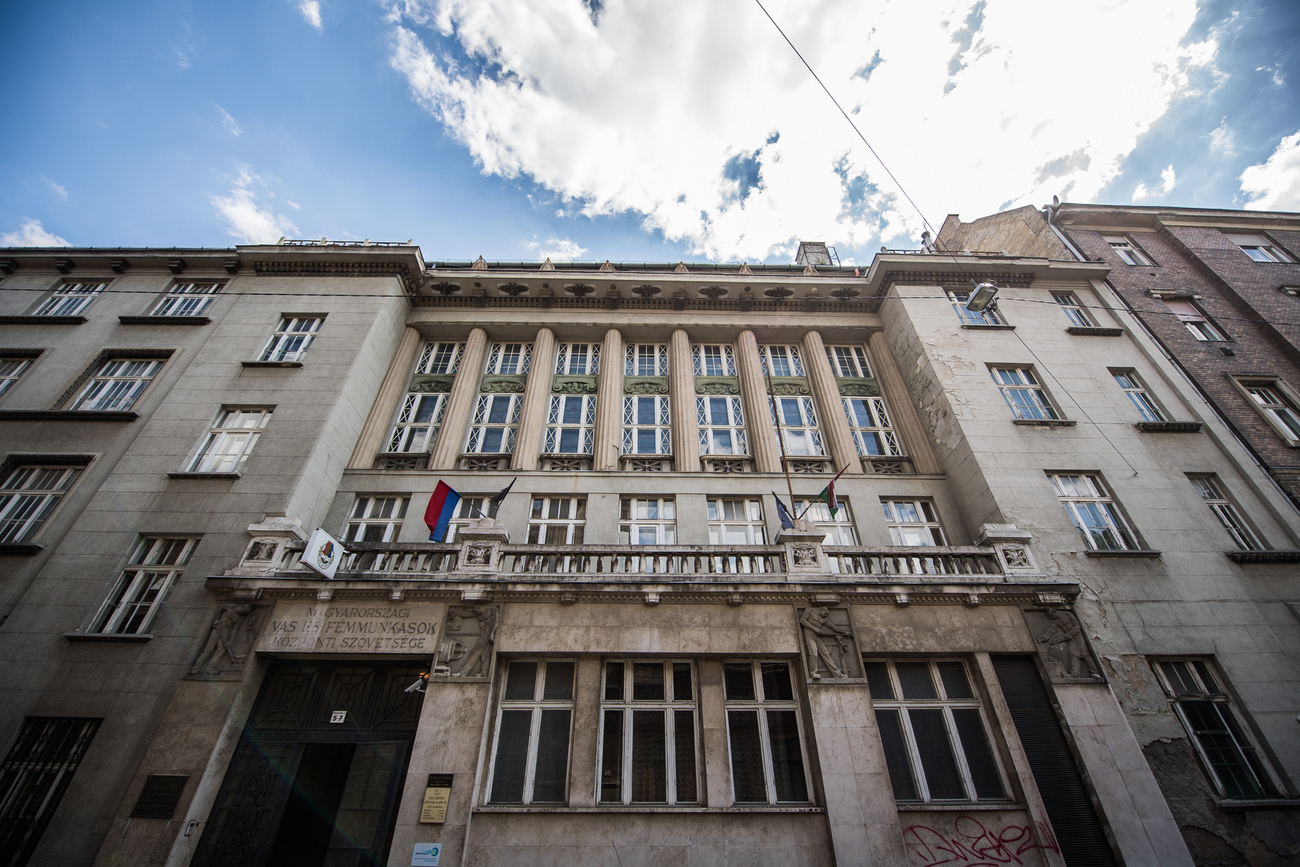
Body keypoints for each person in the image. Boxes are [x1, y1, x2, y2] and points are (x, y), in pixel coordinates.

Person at [801, 606, 851, 679]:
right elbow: (802, 620)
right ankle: (813, 673)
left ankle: (837, 674)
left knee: (826, 654)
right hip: (809, 634)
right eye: (825, 613)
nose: (826, 615)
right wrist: (815, 629)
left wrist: (845, 632)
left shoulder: (824, 619)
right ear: (822, 610)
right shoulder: (810, 610)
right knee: (813, 653)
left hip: (816, 636)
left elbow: (833, 627)